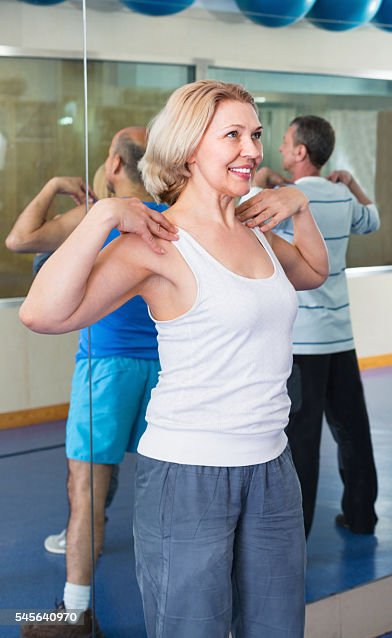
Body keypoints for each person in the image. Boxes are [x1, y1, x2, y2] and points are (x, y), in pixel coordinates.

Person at [18, 80, 327, 637]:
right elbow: (41, 313)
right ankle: (72, 604)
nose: (253, 150)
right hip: (188, 474)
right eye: (232, 135)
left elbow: (311, 271)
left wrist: (299, 206)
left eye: (255, 134)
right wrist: (104, 216)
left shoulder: (255, 227)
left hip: (272, 468)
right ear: (189, 147)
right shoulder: (159, 239)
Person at [7, 128, 164, 636]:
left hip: (107, 369)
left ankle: (74, 614)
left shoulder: (98, 218)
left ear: (115, 165)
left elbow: (19, 239)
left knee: (86, 490)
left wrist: (55, 185)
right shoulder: (174, 216)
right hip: (169, 369)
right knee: (172, 495)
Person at [254, 114, 381, 537]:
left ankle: (297, 530)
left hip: (303, 344)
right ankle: (362, 515)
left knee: (302, 442)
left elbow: (242, 210)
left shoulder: (282, 199)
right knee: (353, 430)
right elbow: (373, 219)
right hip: (340, 338)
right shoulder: (341, 198)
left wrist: (263, 180)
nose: (279, 149)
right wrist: (352, 184)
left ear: (300, 153)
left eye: (285, 143)